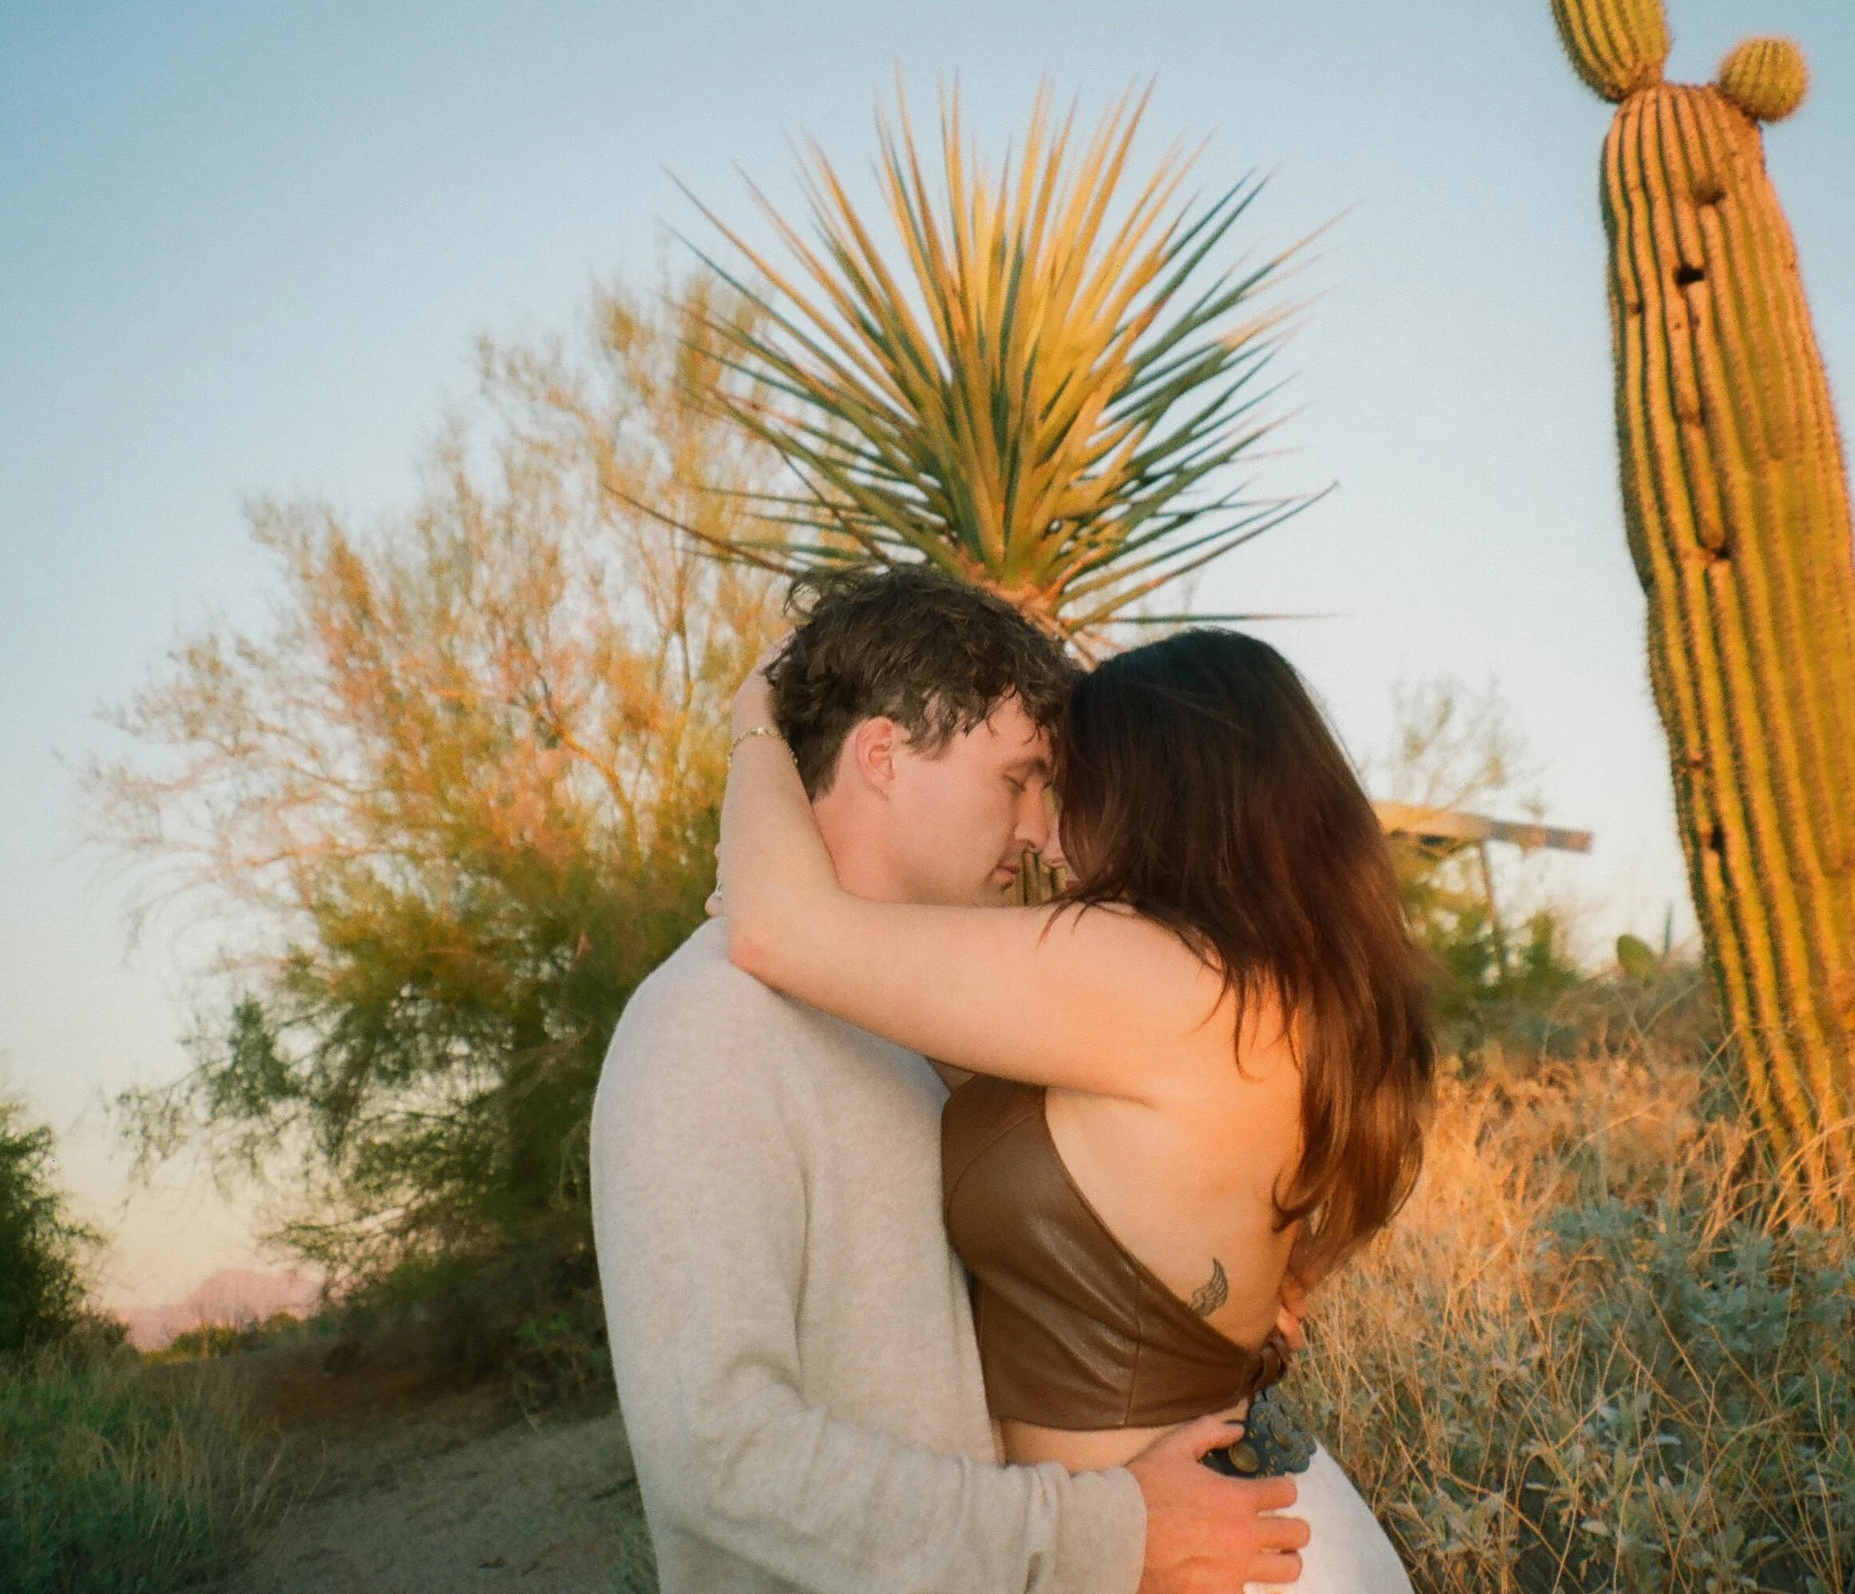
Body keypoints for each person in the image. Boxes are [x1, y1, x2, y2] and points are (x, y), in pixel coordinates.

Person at [590, 567, 1311, 1594]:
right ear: (881, 755)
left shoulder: (923, 1032)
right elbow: (719, 1458)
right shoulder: (704, 1026)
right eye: (1016, 778)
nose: (1038, 831)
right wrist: (1096, 1534)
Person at [718, 603, 1433, 1591]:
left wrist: (756, 710)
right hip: (1252, 1529)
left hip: (1205, 1559)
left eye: (1067, 787)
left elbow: (774, 930)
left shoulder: (1151, 976)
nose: (1049, 835)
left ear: (1159, 790)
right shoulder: (1249, 990)